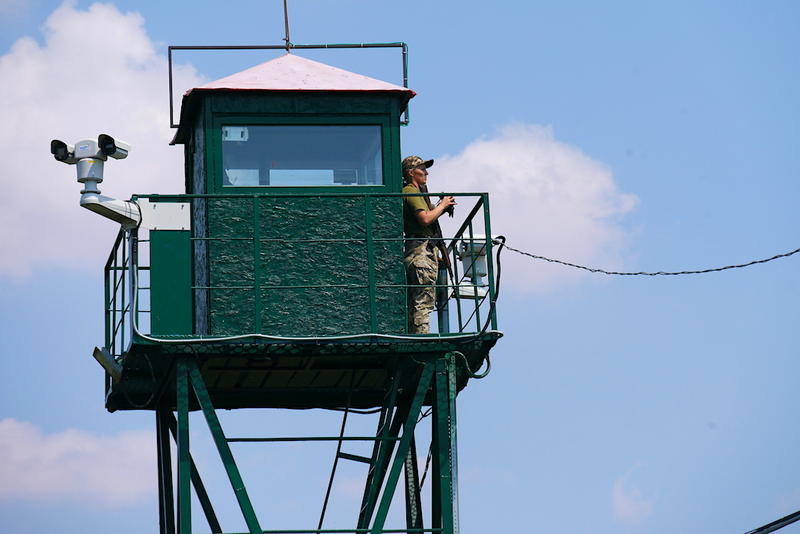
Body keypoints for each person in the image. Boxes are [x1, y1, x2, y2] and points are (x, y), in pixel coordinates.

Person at [401, 155, 456, 334]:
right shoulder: (411, 191)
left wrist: (440, 205)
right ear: (411, 173)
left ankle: (416, 334)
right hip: (420, 252)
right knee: (423, 299)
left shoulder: (417, 193)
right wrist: (442, 206)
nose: (426, 172)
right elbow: (424, 219)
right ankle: (421, 336)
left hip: (421, 249)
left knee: (420, 298)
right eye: (422, 169)